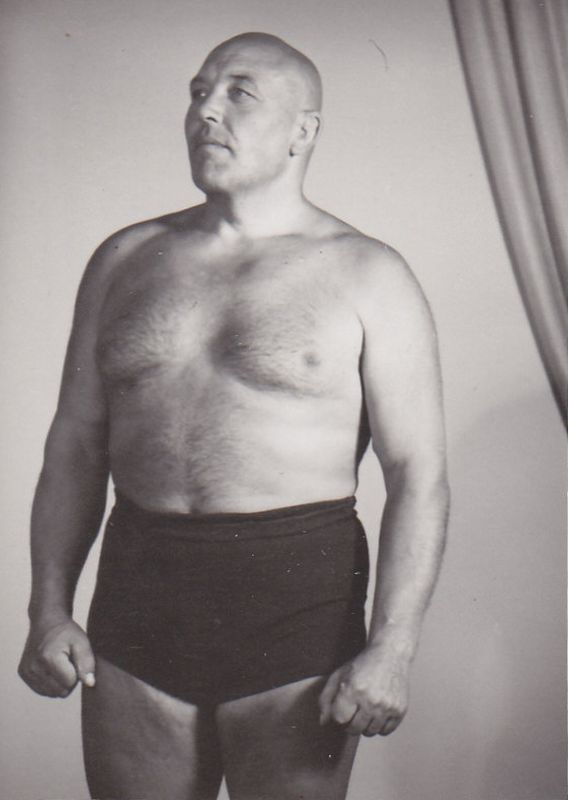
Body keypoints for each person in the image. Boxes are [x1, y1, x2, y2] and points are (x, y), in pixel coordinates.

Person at [18, 31, 450, 800]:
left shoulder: (369, 274)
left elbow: (418, 474)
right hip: (140, 594)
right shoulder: (123, 260)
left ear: (303, 132)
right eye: (198, 92)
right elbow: (75, 447)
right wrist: (48, 609)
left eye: (238, 93)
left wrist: (394, 649)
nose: (206, 111)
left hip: (296, 606)